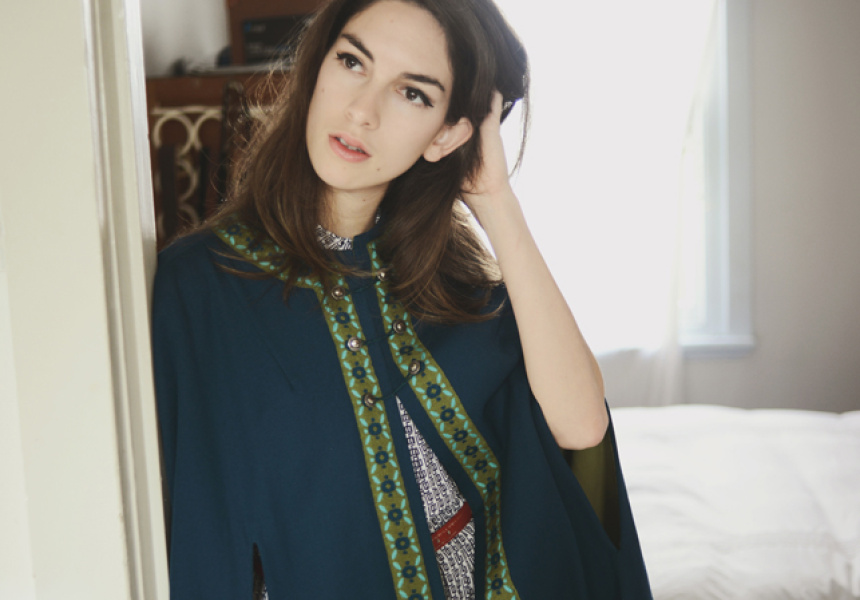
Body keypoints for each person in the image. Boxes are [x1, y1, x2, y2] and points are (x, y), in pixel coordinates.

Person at [151, 0, 652, 598]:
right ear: (317, 66)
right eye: (351, 62)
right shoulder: (201, 285)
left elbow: (582, 430)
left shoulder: (457, 287)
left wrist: (495, 200)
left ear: (448, 133)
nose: (361, 111)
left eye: (412, 93)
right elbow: (202, 531)